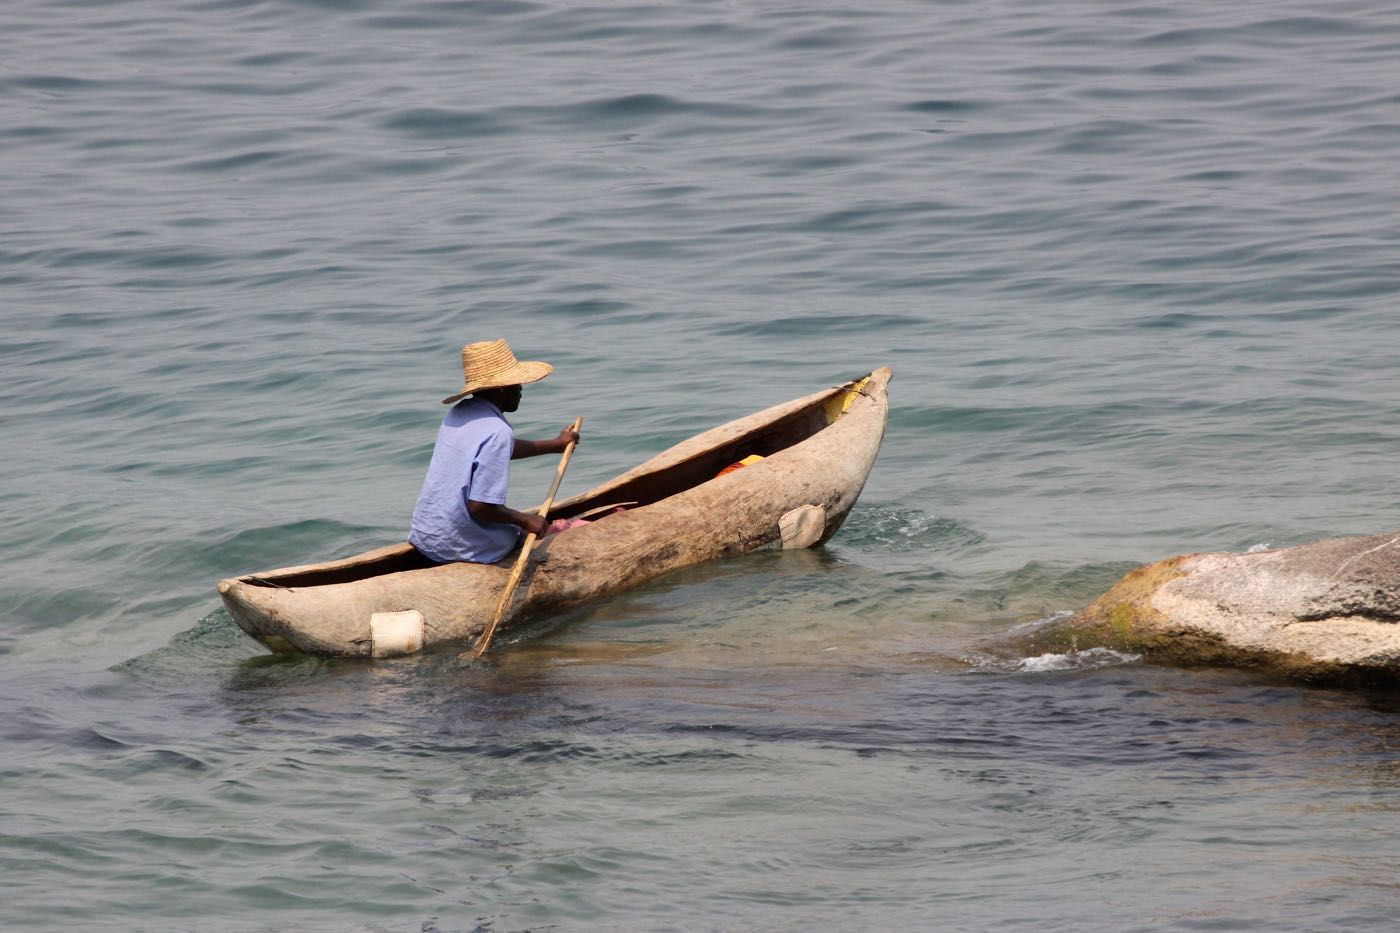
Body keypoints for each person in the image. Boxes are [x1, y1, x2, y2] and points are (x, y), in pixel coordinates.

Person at [409, 339, 580, 564]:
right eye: (516, 384)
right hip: (460, 546)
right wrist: (526, 521)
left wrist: (555, 445)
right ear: (501, 388)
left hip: (429, 535)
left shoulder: (459, 413)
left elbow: (495, 449)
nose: (521, 390)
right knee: (521, 533)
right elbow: (480, 507)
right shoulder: (498, 431)